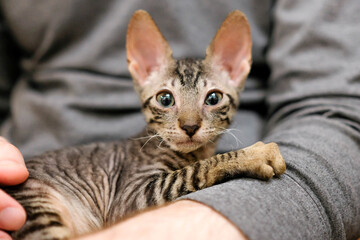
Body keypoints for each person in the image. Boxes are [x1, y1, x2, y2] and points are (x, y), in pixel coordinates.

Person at [1, 0, 360, 239]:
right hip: (34, 195)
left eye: (212, 99)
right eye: (167, 99)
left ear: (236, 70)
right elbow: (136, 202)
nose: (189, 121)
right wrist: (230, 162)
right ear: (142, 72)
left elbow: (337, 108)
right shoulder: (147, 157)